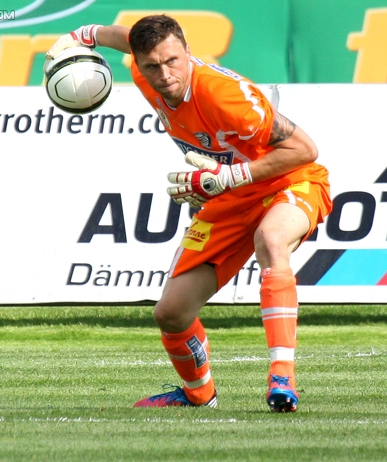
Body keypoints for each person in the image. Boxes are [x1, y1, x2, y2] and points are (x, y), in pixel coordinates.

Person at [45, 14, 332, 412]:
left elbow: (304, 150)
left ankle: (282, 376)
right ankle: (199, 395)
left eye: (172, 61)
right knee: (171, 314)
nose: (164, 74)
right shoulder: (144, 67)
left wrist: (232, 175)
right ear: (139, 63)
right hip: (229, 195)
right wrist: (78, 37)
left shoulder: (224, 95)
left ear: (187, 51)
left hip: (288, 180)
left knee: (271, 240)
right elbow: (116, 36)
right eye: (152, 66)